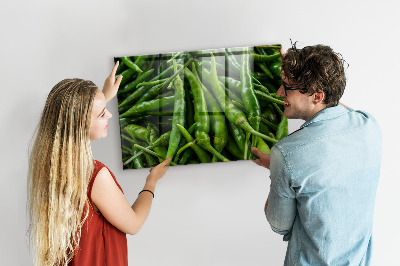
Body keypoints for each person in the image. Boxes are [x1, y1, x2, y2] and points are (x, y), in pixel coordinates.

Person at [27, 62, 171, 266]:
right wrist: (151, 182)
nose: (110, 115)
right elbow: (134, 224)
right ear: (81, 124)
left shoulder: (50, 165)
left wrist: (104, 96)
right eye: (102, 113)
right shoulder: (95, 176)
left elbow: (75, 118)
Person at [251, 43, 382, 265]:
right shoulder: (369, 125)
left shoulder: (286, 154)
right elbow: (335, 106)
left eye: (287, 87)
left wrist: (277, 168)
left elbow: (279, 224)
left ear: (317, 96)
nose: (279, 92)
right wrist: (299, 74)